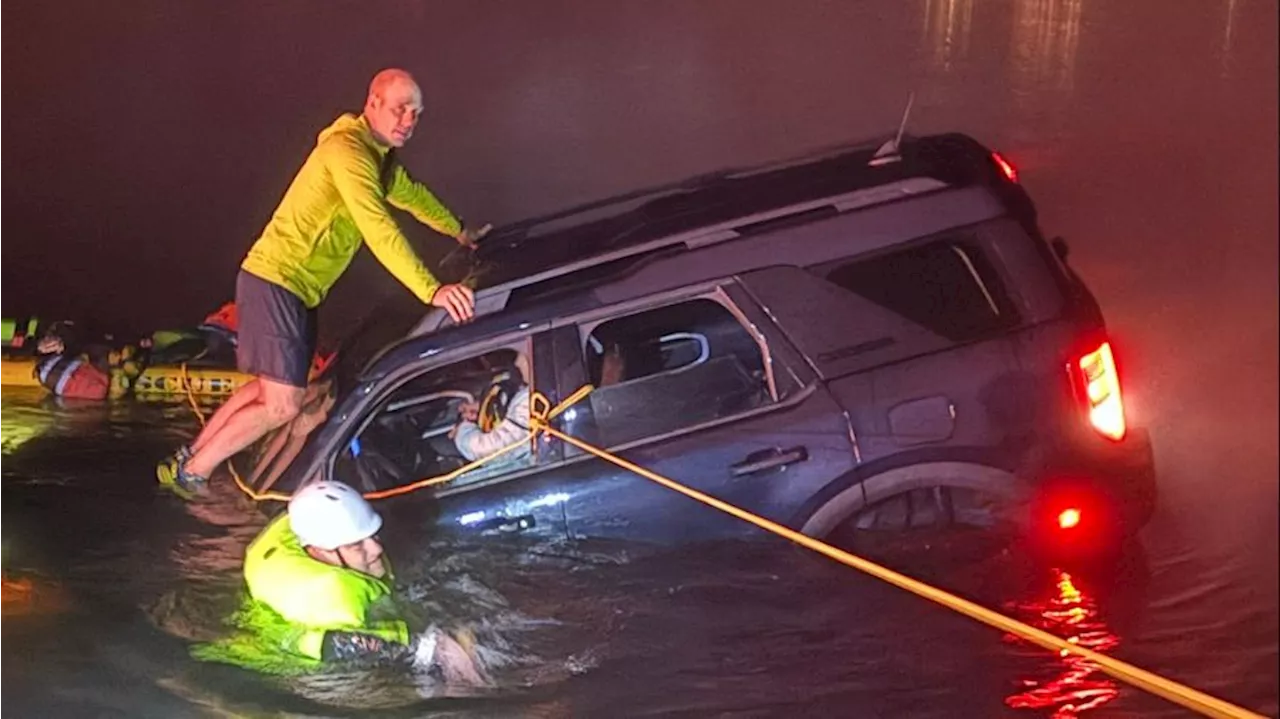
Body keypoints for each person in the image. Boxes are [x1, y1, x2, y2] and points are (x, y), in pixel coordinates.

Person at [157, 67, 489, 498]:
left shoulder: (380, 159)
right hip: (278, 279)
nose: (408, 120)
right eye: (400, 108)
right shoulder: (347, 152)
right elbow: (377, 227)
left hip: (296, 289)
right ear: (372, 103)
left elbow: (413, 196)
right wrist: (432, 290)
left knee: (267, 390)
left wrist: (458, 230)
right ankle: (194, 475)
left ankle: (189, 458)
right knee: (283, 404)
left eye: (417, 113)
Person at [207, 480, 487, 679]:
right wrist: (431, 649)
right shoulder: (334, 598)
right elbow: (344, 645)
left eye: (372, 536)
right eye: (357, 546)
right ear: (319, 552)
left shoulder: (300, 531)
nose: (376, 549)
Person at [451, 351, 533, 472]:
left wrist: (463, 431)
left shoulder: (530, 401)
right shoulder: (527, 395)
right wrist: (484, 406)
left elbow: (488, 449)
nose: (517, 363)